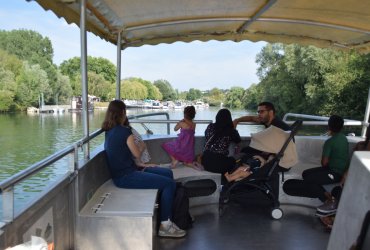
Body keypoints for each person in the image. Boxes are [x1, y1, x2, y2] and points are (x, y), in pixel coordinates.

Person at [102, 100, 186, 238]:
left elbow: (122, 155)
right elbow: (137, 153)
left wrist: (144, 165)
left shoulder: (108, 131)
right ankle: (165, 226)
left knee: (168, 173)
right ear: (122, 112)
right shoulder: (125, 132)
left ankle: (165, 216)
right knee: (169, 184)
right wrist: (141, 146)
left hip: (128, 171)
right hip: (127, 177)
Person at [283, 115, 349, 207]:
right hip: (337, 170)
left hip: (335, 173)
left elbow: (324, 163)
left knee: (310, 179)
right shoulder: (344, 138)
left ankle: (327, 199)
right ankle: (322, 193)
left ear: (329, 126)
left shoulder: (330, 142)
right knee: (305, 173)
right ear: (341, 127)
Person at [201, 108, 241, 183]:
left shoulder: (210, 126)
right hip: (219, 165)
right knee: (233, 161)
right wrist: (233, 127)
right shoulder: (231, 131)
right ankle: (227, 180)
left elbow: (206, 135)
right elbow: (238, 140)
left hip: (205, 162)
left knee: (221, 159)